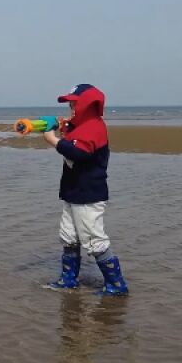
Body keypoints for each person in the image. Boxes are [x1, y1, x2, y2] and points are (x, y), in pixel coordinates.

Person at [38, 84, 128, 295]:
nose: (70, 106)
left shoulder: (94, 127)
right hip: (73, 192)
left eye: (74, 103)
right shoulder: (81, 126)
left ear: (87, 105)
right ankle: (68, 280)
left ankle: (116, 285)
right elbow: (74, 138)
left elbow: (79, 153)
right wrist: (66, 128)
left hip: (88, 195)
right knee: (69, 236)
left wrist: (54, 140)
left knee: (94, 239)